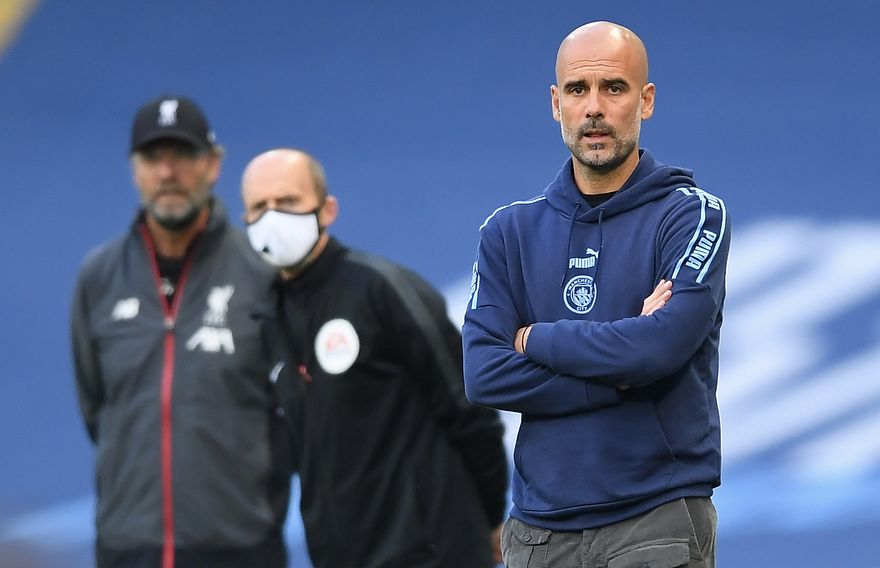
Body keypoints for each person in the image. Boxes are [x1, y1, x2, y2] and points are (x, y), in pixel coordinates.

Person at [462, 21, 730, 568]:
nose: (594, 108)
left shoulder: (692, 215)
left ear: (646, 100)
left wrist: (533, 339)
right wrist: (620, 376)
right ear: (555, 103)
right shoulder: (508, 231)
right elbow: (484, 374)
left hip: (654, 518)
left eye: (613, 88)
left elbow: (658, 349)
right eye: (578, 90)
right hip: (537, 533)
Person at [240, 148, 509, 568]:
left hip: (433, 552)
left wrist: (489, 517)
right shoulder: (267, 317)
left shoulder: (381, 290)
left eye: (288, 201)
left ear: (327, 210)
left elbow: (469, 408)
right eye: (259, 206)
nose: (272, 216)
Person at [70, 95, 290, 568]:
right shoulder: (99, 277)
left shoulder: (262, 272)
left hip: (240, 547)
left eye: (184, 155)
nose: (168, 173)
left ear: (213, 165)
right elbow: (96, 408)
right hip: (128, 547)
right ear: (134, 170)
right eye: (153, 158)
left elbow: (293, 409)